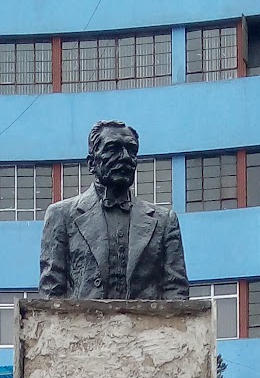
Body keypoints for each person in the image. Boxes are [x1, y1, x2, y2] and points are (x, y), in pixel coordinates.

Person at [38, 119, 189, 302]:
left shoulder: (164, 221)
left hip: (146, 328)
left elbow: (176, 293)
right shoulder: (61, 215)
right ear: (92, 163)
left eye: (131, 150)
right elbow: (51, 293)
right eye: (113, 148)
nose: (125, 157)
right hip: (83, 327)